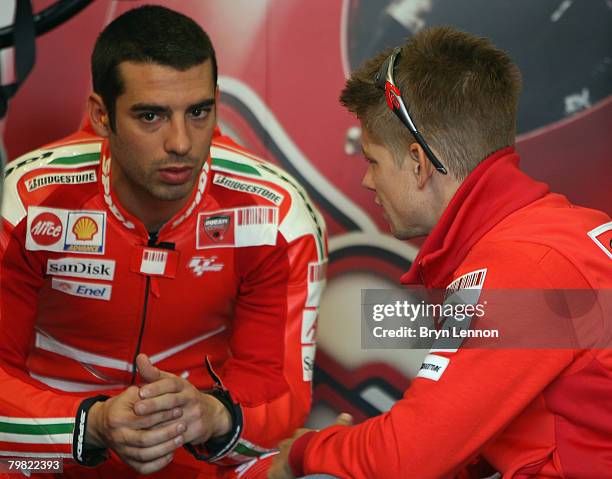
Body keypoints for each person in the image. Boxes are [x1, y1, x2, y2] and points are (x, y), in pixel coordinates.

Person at [269, 26, 612, 478]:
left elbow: (406, 458)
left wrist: (305, 451)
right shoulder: (556, 232)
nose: (367, 182)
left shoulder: (525, 266)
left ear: (418, 162)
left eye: (372, 161)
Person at [0, 5, 327, 478]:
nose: (181, 142)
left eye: (198, 112)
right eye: (151, 116)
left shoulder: (274, 218)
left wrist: (212, 415)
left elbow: (277, 389)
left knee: (323, 468)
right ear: (101, 116)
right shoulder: (26, 204)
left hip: (192, 452)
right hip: (53, 452)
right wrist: (92, 423)